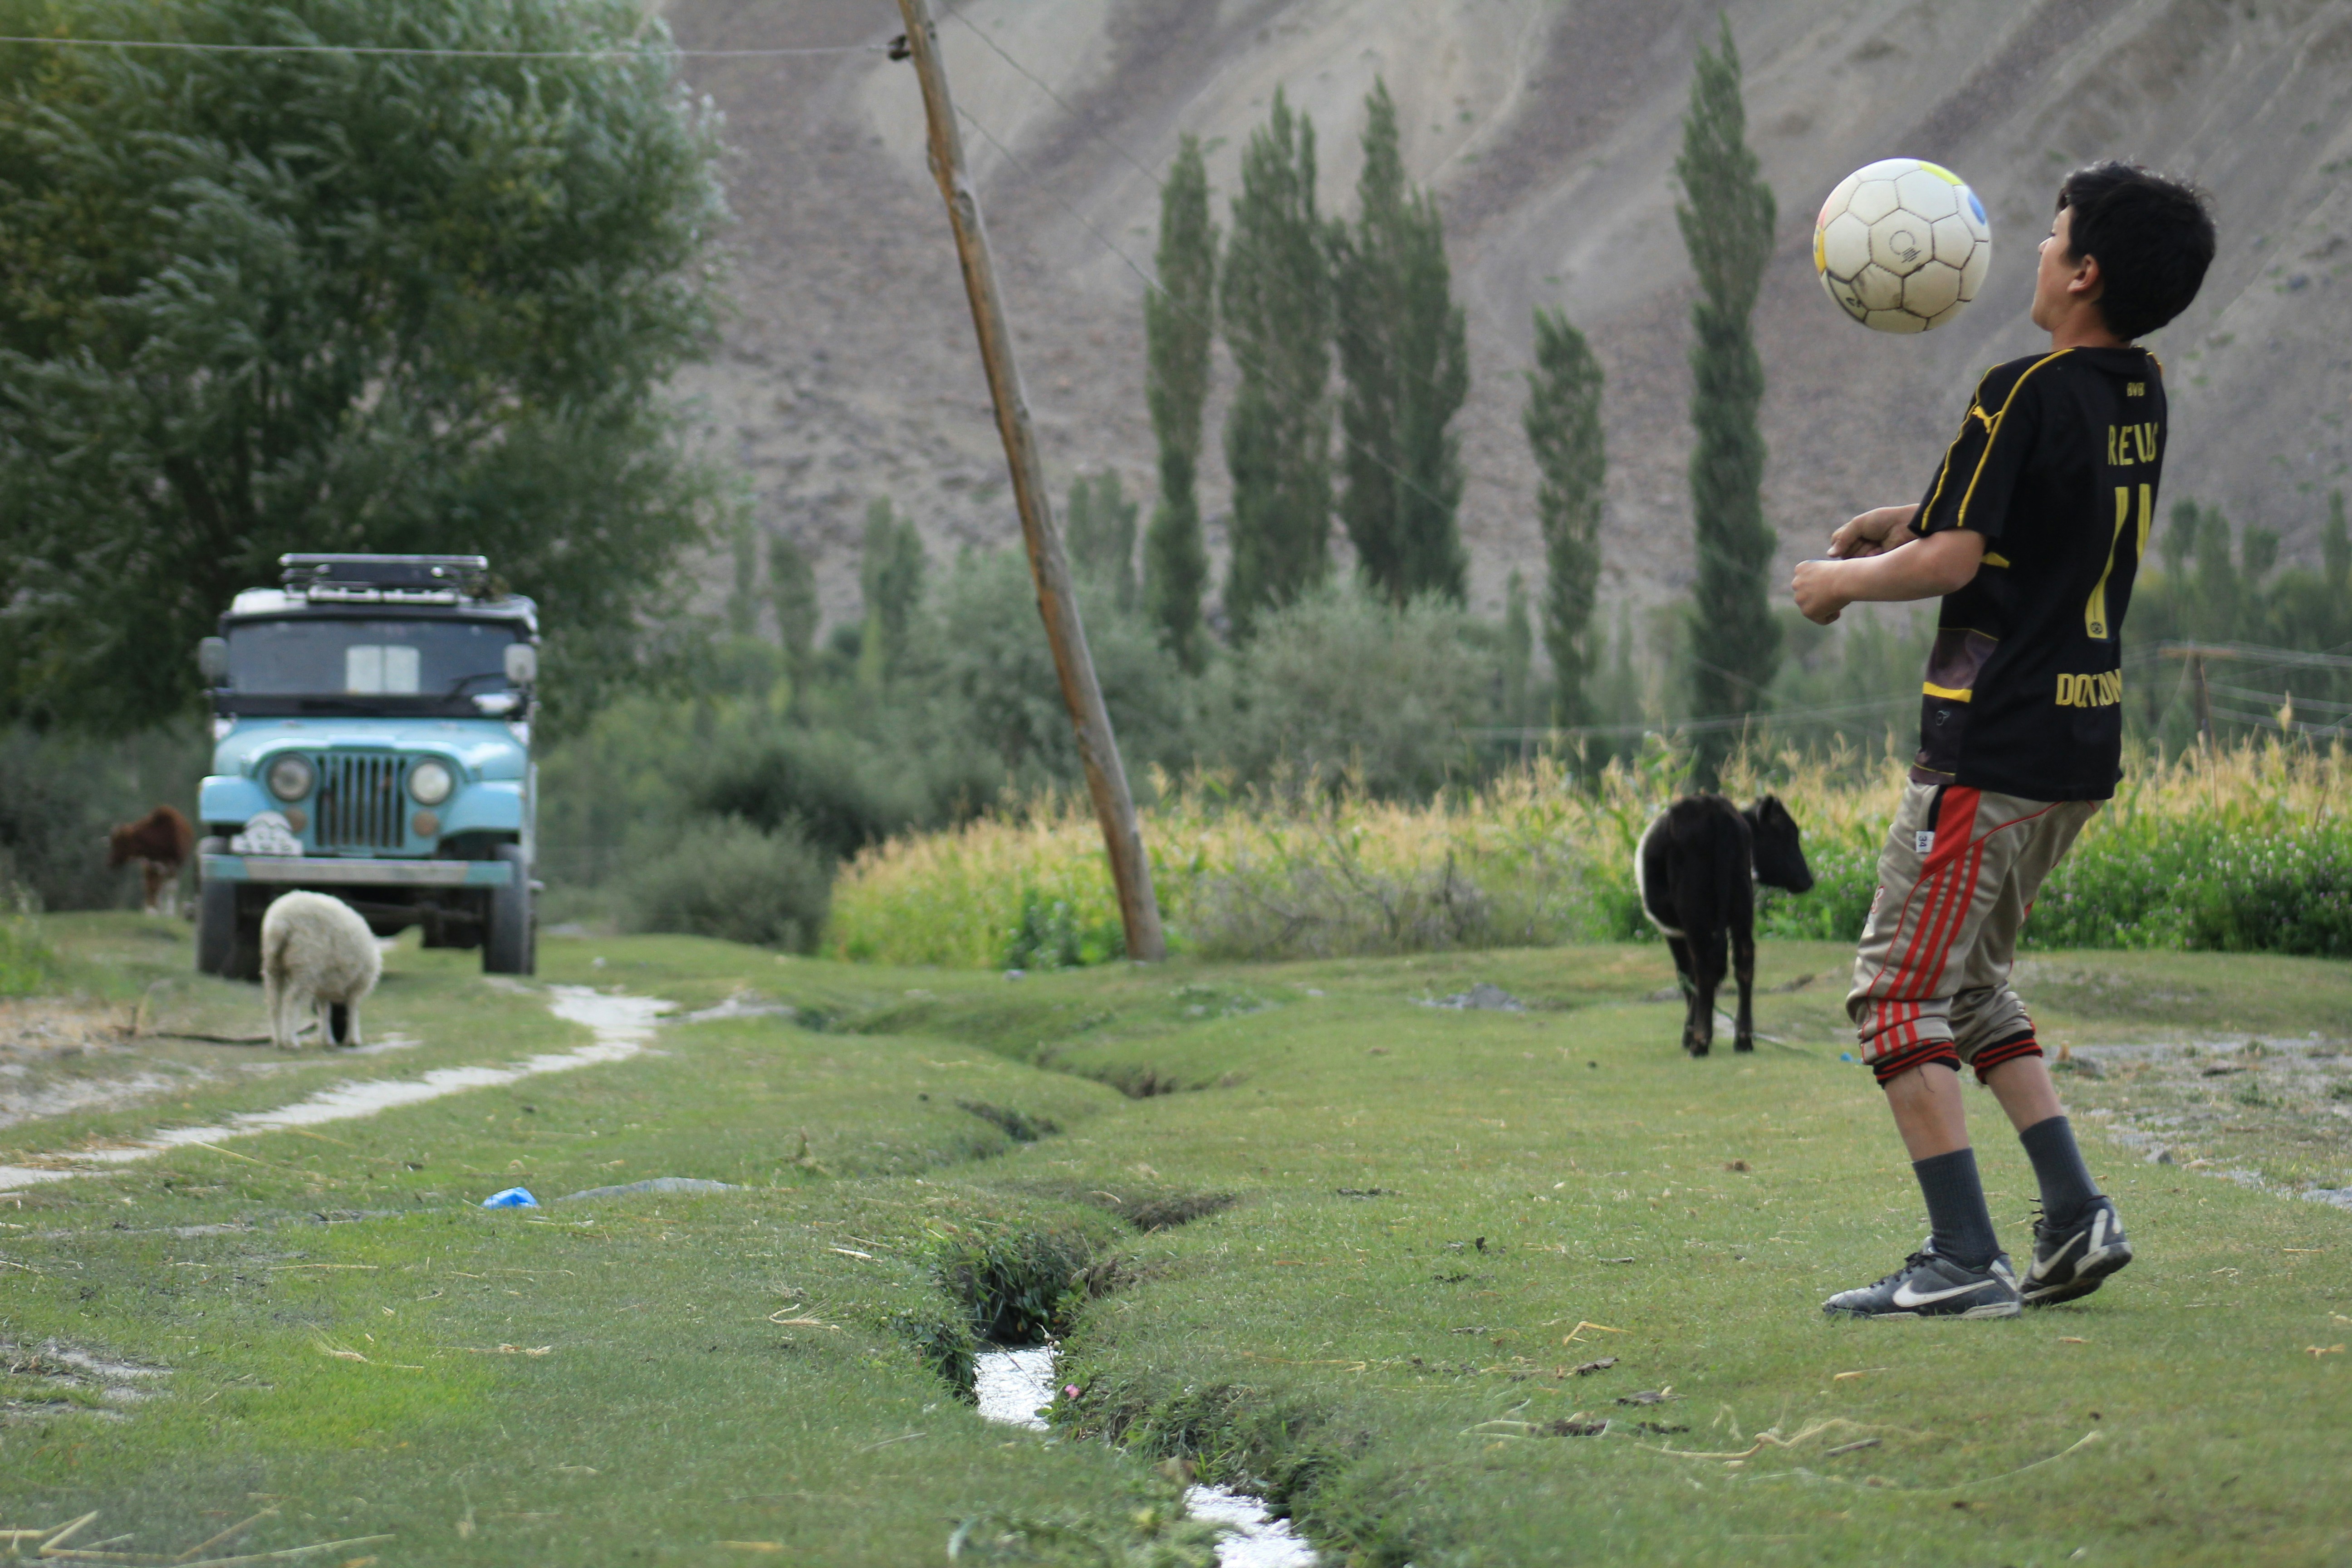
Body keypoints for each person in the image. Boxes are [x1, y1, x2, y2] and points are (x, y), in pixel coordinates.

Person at [1789, 162, 2216, 1319]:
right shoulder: (2138, 386)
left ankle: (1961, 1256)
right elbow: (2019, 514)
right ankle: (2076, 1218)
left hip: (1993, 745)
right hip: (2079, 744)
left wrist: (1843, 580)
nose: (2034, 246)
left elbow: (1957, 562)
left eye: (2053, 232)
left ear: (2083, 273)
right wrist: (1910, 519)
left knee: (1893, 997)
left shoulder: (2016, 387)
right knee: (1973, 989)